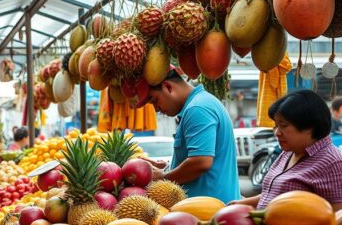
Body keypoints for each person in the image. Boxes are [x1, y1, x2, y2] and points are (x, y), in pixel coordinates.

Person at [231, 90, 342, 210]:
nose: (277, 133)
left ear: (309, 127)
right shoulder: (288, 152)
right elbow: (274, 194)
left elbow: (337, 216)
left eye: (283, 125)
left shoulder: (333, 163)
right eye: (276, 125)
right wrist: (242, 203)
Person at [144, 68, 240, 204]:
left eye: (154, 100)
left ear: (168, 87)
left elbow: (200, 162)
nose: (156, 109)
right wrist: (167, 167)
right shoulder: (201, 103)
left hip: (209, 213)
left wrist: (163, 177)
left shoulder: (198, 109)